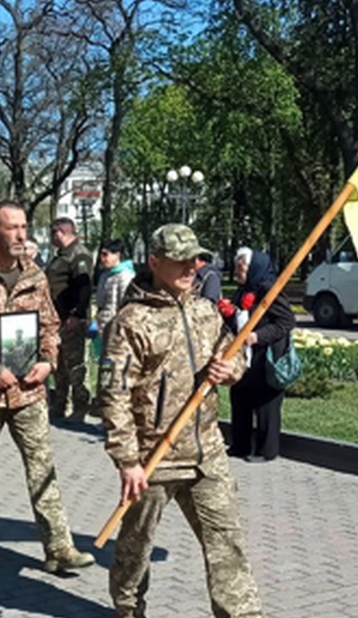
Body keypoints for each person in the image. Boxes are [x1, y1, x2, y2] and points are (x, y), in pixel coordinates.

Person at [95, 223, 262, 618]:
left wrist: (230, 368)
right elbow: (113, 394)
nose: (192, 267)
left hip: (206, 452)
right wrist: (127, 460)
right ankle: (128, 607)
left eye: (196, 259)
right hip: (155, 457)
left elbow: (232, 352)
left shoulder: (205, 310)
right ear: (155, 262)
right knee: (136, 548)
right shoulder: (131, 322)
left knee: (227, 545)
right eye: (181, 261)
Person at [0, 200, 94, 571]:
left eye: (24, 227)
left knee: (42, 467)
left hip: (29, 391)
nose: (20, 235)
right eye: (11, 228)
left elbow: (49, 325)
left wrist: (47, 361)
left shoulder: (35, 275)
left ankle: (58, 547)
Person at [227, 247, 295, 462]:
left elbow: (286, 322)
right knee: (240, 398)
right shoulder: (243, 289)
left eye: (242, 268)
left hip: (266, 357)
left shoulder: (269, 289)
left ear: (255, 268)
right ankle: (240, 445)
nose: (237, 272)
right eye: (237, 267)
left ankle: (267, 450)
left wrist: (258, 336)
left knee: (266, 404)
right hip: (244, 356)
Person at [45, 218, 93, 420]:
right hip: (58, 318)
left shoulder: (78, 254)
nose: (50, 239)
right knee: (60, 365)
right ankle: (60, 404)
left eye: (52, 234)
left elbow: (83, 287)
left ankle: (81, 406)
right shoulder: (61, 256)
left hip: (71, 318)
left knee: (75, 365)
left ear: (60, 233)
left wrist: (77, 314)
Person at [94, 239, 136, 358]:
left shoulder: (125, 276)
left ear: (117, 255)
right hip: (103, 328)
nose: (103, 258)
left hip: (117, 331)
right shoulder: (105, 275)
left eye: (106, 254)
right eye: (101, 255)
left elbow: (126, 306)